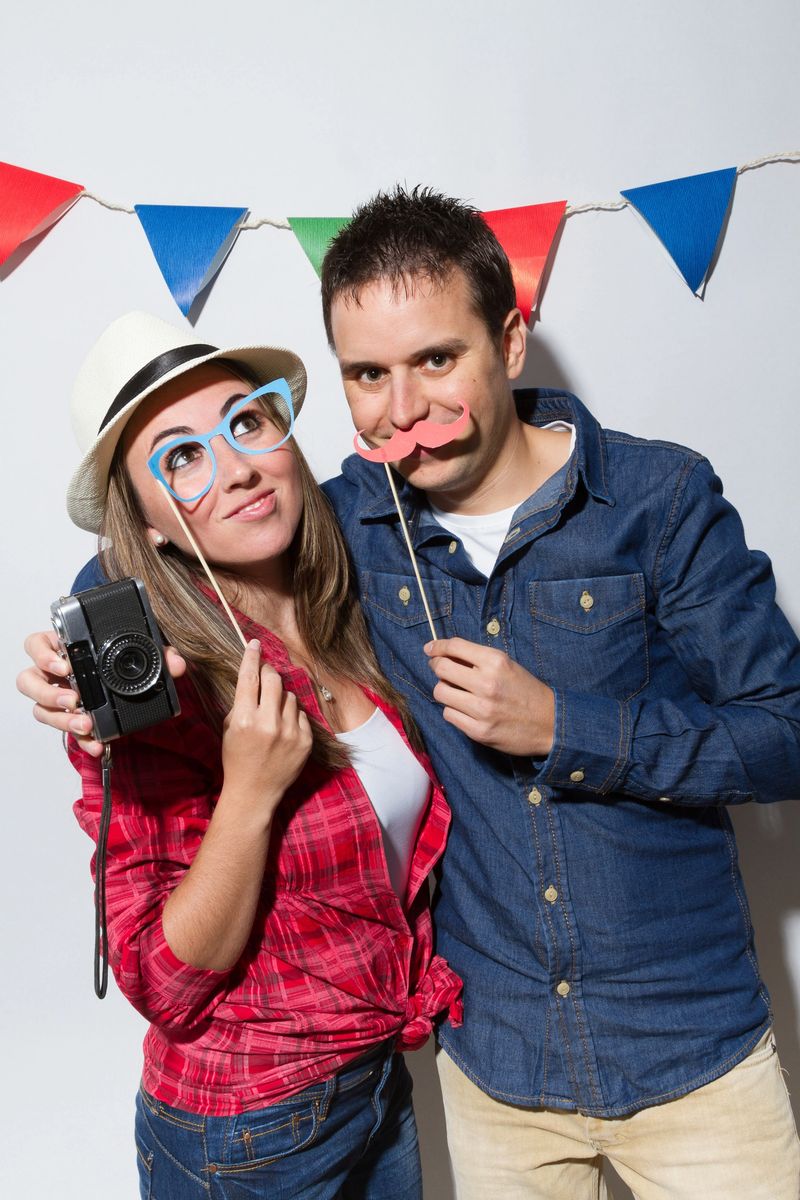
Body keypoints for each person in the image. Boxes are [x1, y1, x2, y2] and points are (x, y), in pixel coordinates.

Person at [19, 188, 800, 1198]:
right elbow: (174, 525)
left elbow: (781, 733)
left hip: (686, 1053)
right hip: (493, 1075)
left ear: (509, 344)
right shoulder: (351, 522)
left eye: (436, 359)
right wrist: (71, 653)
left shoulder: (655, 501)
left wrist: (566, 726)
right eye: (366, 376)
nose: (405, 408)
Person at [22, 310, 461, 1200]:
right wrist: (250, 793)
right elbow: (164, 982)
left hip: (379, 1084)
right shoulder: (153, 698)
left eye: (246, 421)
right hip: (246, 1134)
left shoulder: (360, 602)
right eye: (179, 456)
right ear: (146, 525)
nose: (233, 467)